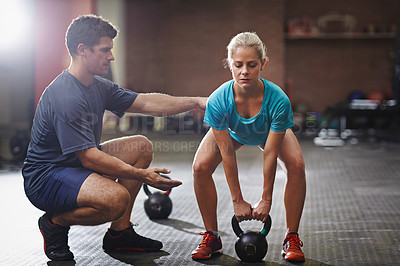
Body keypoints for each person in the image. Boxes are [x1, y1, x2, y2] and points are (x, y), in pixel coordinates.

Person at [22, 14, 207, 261]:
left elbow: (146, 101)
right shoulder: (66, 95)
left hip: (74, 164)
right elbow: (90, 158)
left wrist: (196, 102)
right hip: (46, 178)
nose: (111, 56)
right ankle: (54, 223)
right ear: (83, 50)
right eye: (105, 50)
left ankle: (120, 234)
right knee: (115, 199)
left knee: (140, 146)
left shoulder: (97, 85)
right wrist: (143, 176)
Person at [191, 32, 306, 262]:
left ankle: (291, 237)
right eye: (239, 65)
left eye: (252, 65)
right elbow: (227, 153)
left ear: (263, 64)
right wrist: (237, 200)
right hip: (233, 133)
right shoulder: (218, 100)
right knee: (200, 167)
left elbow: (270, 153)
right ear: (230, 65)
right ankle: (211, 237)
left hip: (268, 133)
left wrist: (266, 199)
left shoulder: (278, 100)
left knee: (296, 165)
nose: (245, 71)